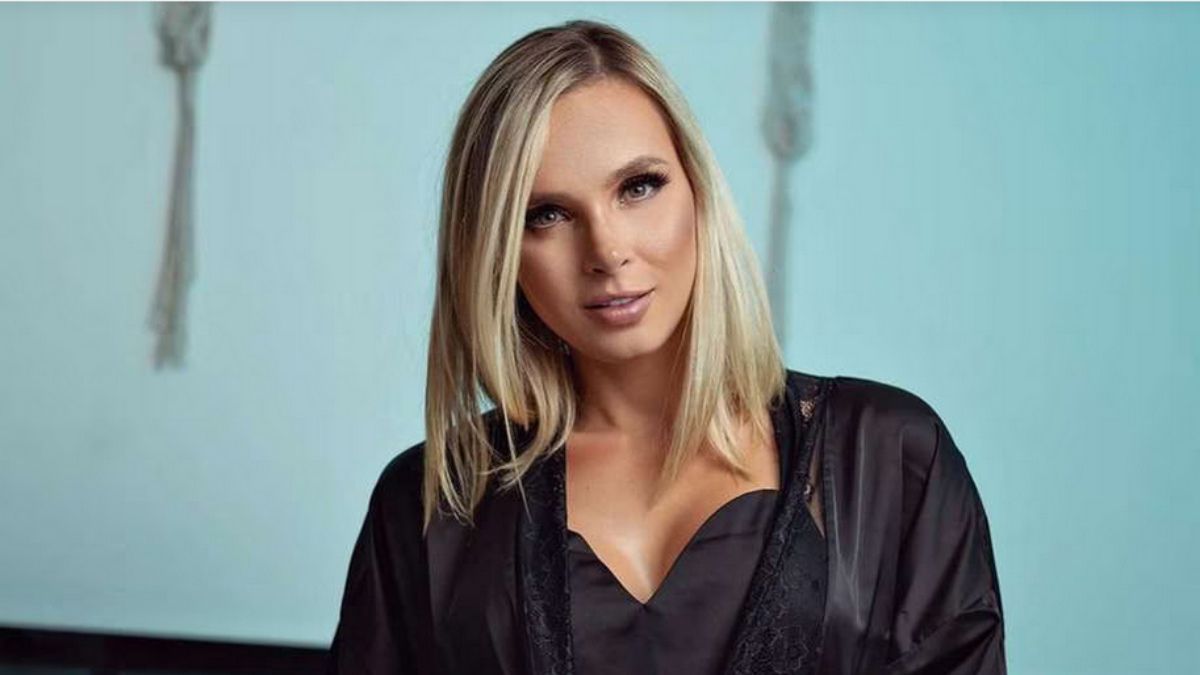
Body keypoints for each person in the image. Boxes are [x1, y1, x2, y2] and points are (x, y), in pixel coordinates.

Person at [328, 18, 1006, 675]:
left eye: (639, 187)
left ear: (699, 193)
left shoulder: (890, 457)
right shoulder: (432, 501)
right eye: (547, 214)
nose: (607, 250)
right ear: (496, 252)